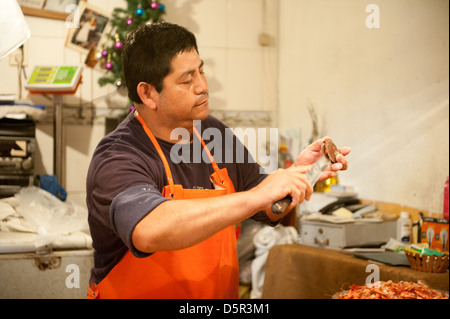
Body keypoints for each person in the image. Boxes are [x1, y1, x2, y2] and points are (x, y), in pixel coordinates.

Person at [86, 22, 350, 299]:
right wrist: (257, 196)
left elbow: (267, 206)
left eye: (201, 71)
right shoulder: (118, 155)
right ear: (148, 93)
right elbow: (149, 229)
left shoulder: (212, 133)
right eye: (187, 80)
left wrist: (298, 175)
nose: (203, 86)